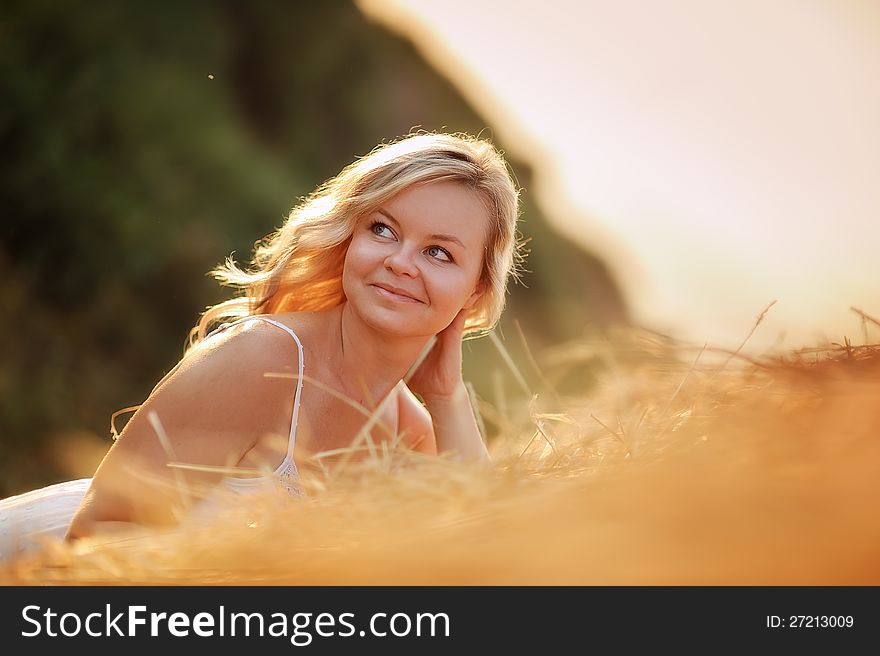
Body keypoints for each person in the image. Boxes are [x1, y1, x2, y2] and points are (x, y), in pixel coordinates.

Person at [0, 131, 522, 555]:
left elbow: (487, 558)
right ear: (350, 236)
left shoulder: (410, 433)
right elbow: (94, 544)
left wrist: (448, 395)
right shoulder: (265, 360)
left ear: (476, 289)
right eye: (383, 230)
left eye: (439, 253)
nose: (401, 261)